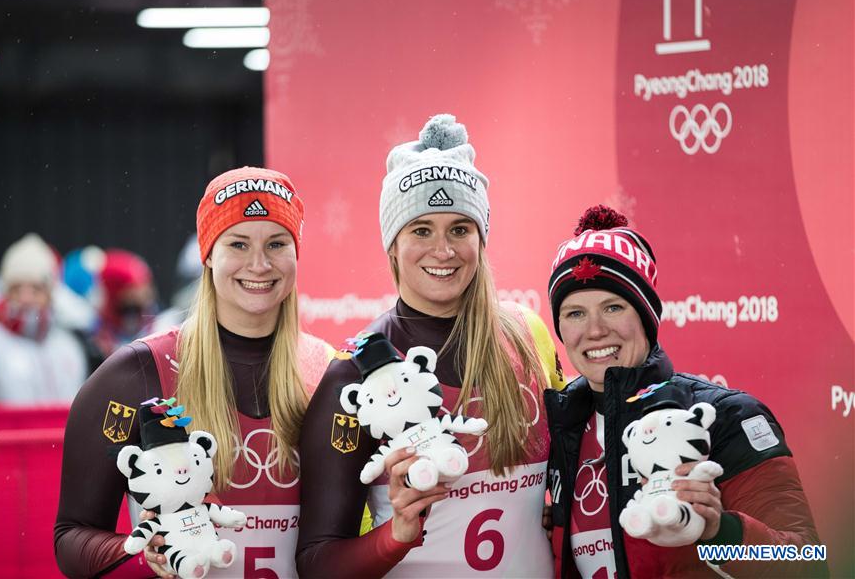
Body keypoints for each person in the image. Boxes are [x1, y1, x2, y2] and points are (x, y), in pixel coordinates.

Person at [296, 114, 566, 577]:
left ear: (481, 239)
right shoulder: (355, 371)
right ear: (392, 245)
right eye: (421, 230)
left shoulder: (526, 334)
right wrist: (396, 534)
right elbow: (317, 563)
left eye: (460, 229)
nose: (443, 251)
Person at [54, 167, 335, 578]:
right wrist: (146, 555)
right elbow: (71, 537)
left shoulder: (327, 369)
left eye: (276, 243)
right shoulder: (136, 373)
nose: (259, 264)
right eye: (238, 243)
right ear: (208, 254)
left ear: (296, 253)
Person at [544, 205, 827, 578]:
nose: (594, 330)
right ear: (560, 327)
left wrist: (716, 531)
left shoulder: (726, 416)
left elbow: (807, 565)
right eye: (575, 313)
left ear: (646, 318)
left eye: (613, 307)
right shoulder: (560, 424)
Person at [0, 233, 86, 404]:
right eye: (17, 288)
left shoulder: (68, 346)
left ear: (50, 294)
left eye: (35, 289)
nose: (26, 299)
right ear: (5, 291)